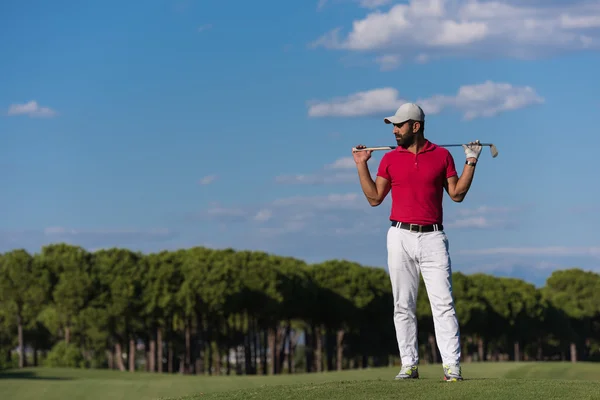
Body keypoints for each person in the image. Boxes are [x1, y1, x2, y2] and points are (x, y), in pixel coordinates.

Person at [352, 102, 481, 382]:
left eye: (399, 125)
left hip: (433, 237)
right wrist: (362, 166)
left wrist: (471, 161)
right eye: (394, 126)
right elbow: (375, 198)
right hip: (399, 236)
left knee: (443, 304)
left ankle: (452, 367)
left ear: (416, 126)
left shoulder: (442, 155)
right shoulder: (389, 159)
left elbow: (457, 194)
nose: (395, 130)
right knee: (403, 305)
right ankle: (409, 365)